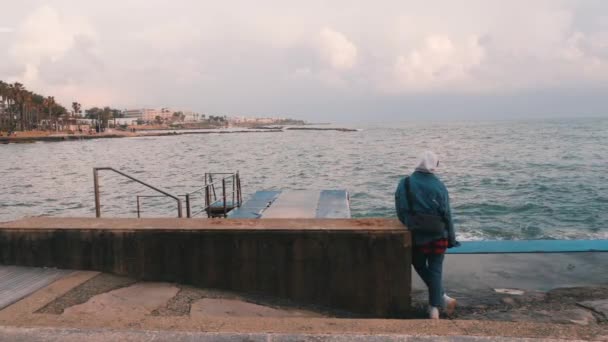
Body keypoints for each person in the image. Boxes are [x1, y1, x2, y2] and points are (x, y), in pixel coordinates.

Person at [395, 151, 460, 319]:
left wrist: (410, 223)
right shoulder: (439, 186)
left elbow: (401, 210)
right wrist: (451, 238)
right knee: (436, 270)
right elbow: (447, 215)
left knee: (418, 263)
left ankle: (440, 301)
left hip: (417, 235)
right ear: (434, 165)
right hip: (439, 235)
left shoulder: (406, 183)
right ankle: (436, 307)